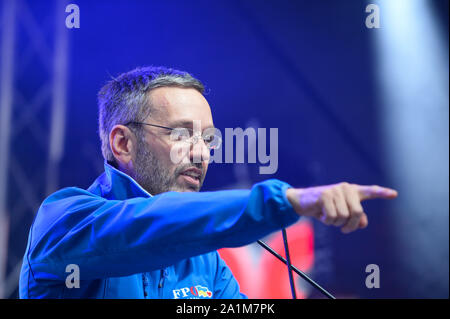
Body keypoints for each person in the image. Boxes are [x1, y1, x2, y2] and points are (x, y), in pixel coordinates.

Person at [19, 66, 398, 299]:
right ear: (123, 143)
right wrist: (287, 202)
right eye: (183, 135)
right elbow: (147, 226)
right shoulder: (64, 223)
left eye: (209, 139)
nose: (201, 154)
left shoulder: (205, 262)